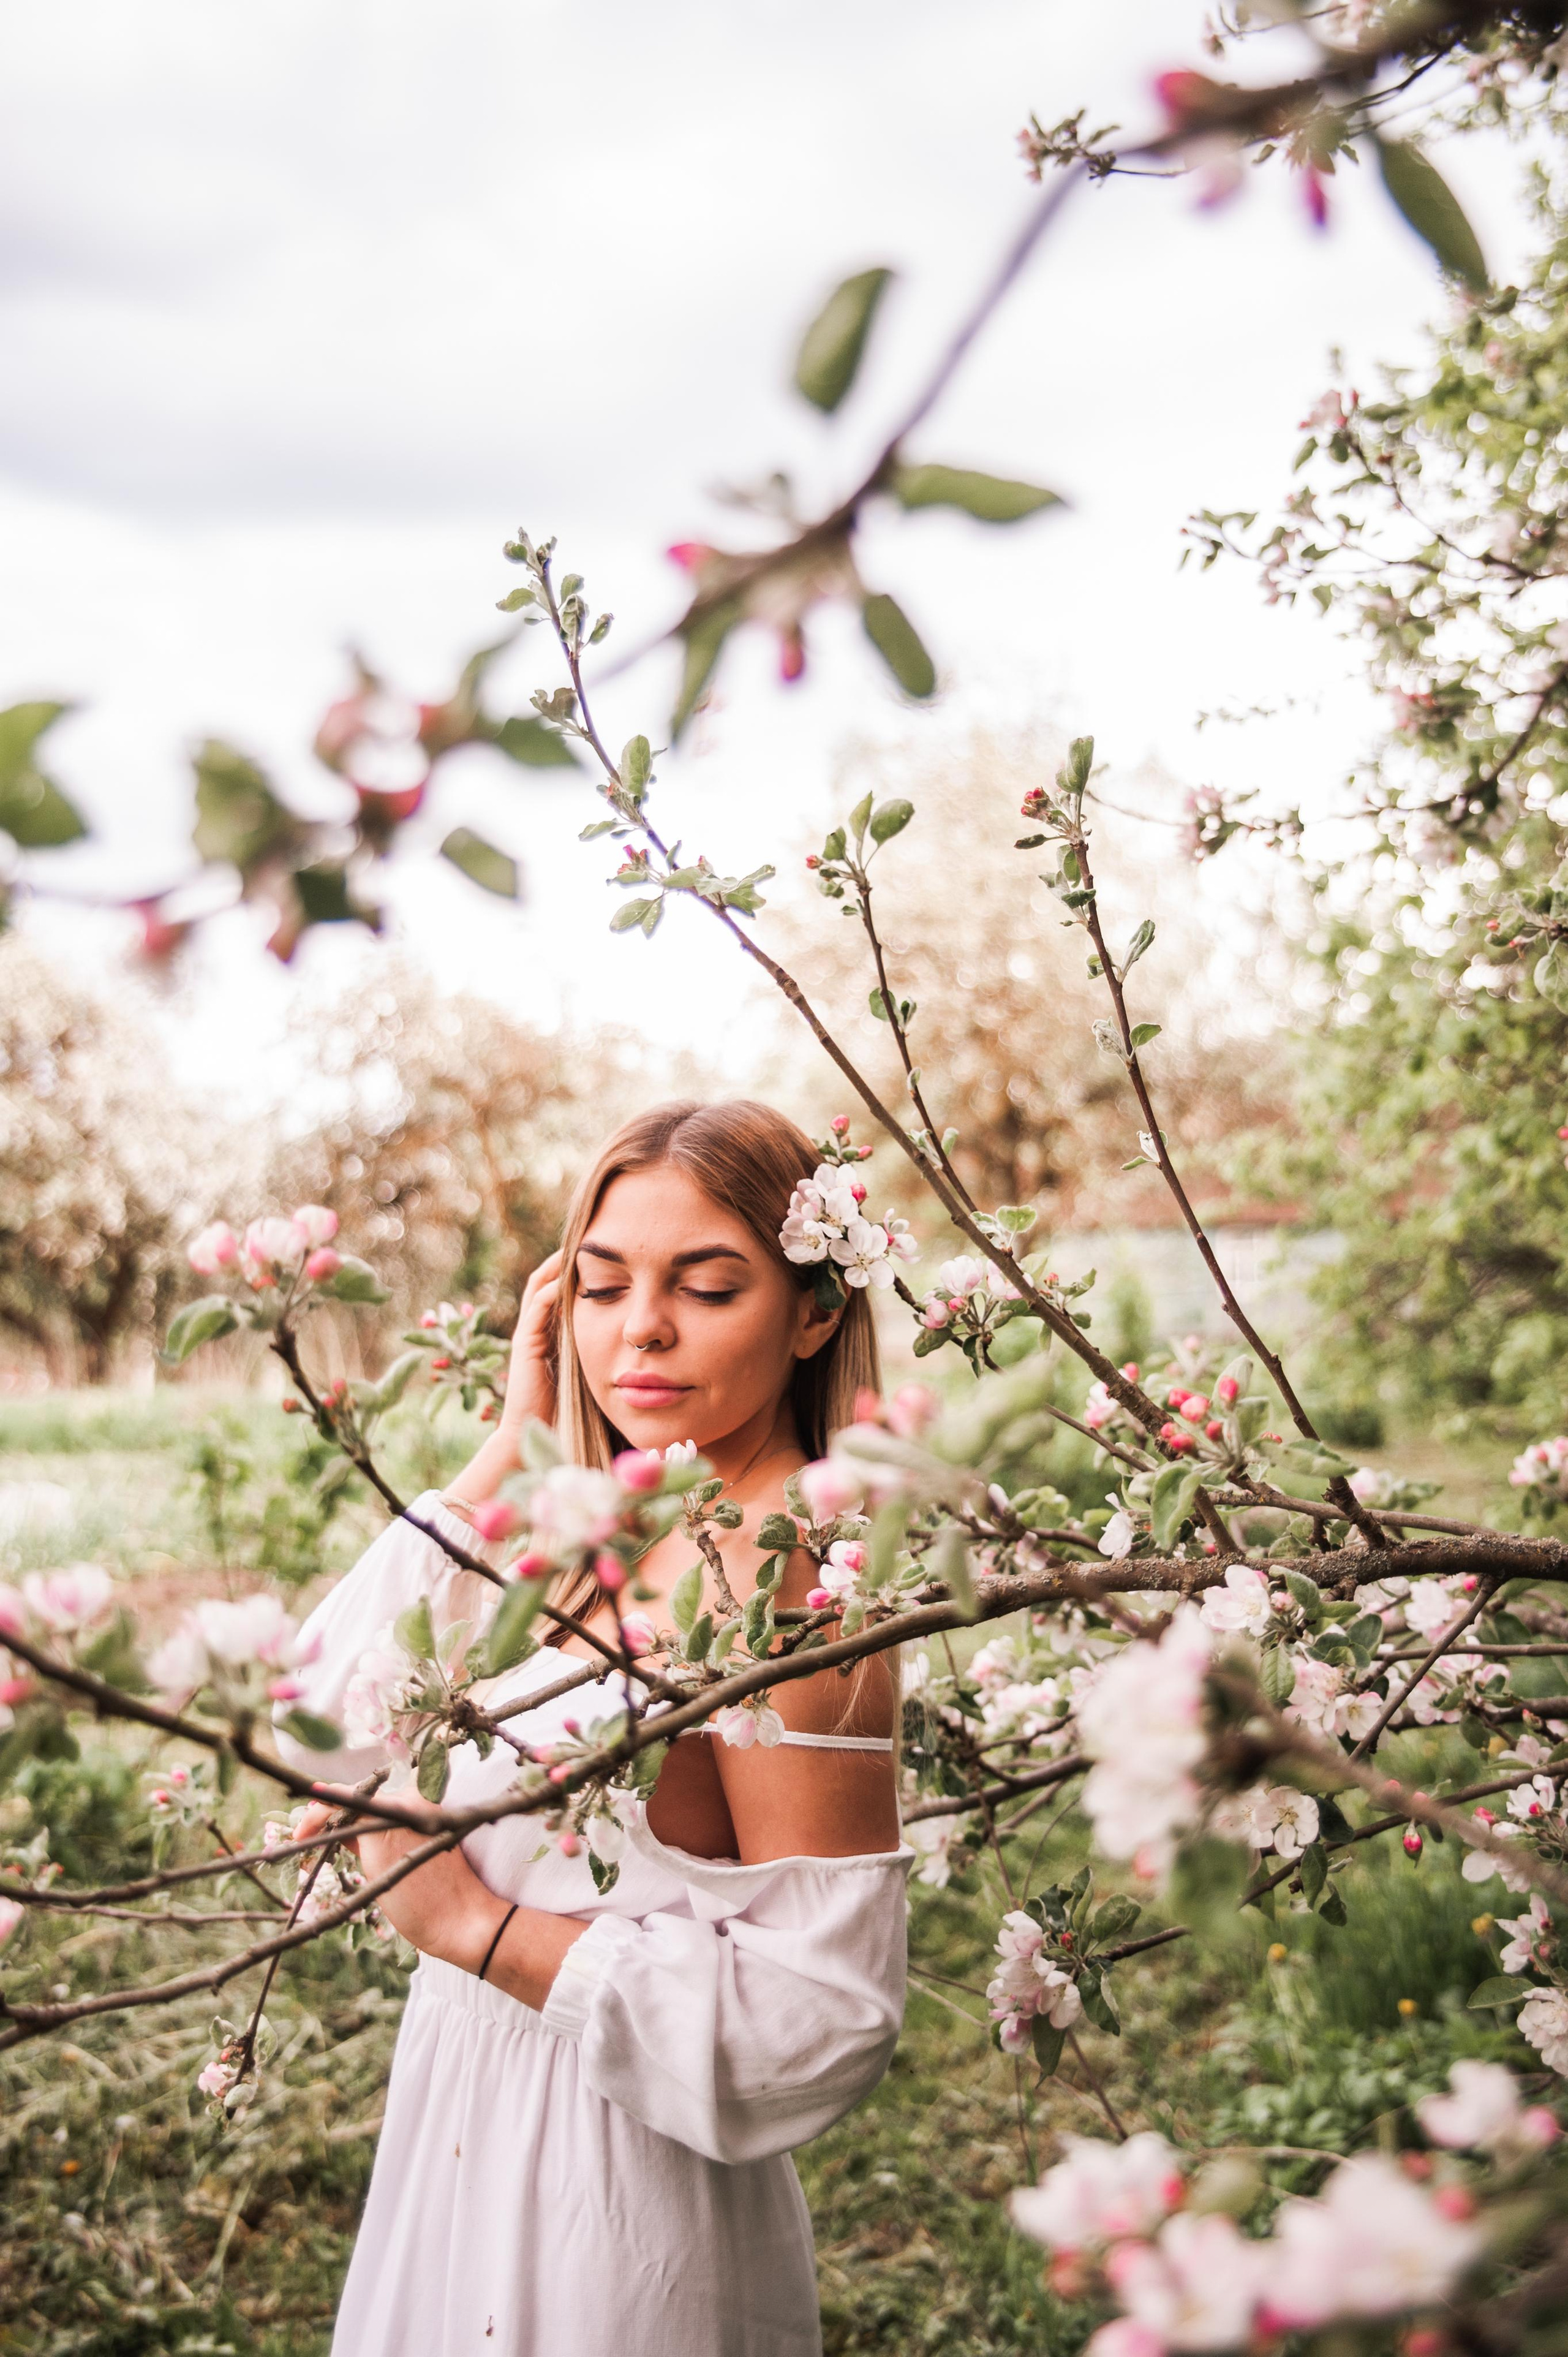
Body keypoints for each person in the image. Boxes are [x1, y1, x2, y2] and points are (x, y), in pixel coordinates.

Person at [280, 1100, 912, 2357]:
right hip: (463, 2109)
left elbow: (827, 2015)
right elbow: (317, 1722)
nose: (642, 1331)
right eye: (604, 1283)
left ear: (815, 1311)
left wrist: (483, 1928)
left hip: (612, 2186)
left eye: (708, 1286)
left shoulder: (785, 1571)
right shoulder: (601, 1522)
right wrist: (509, 1444)